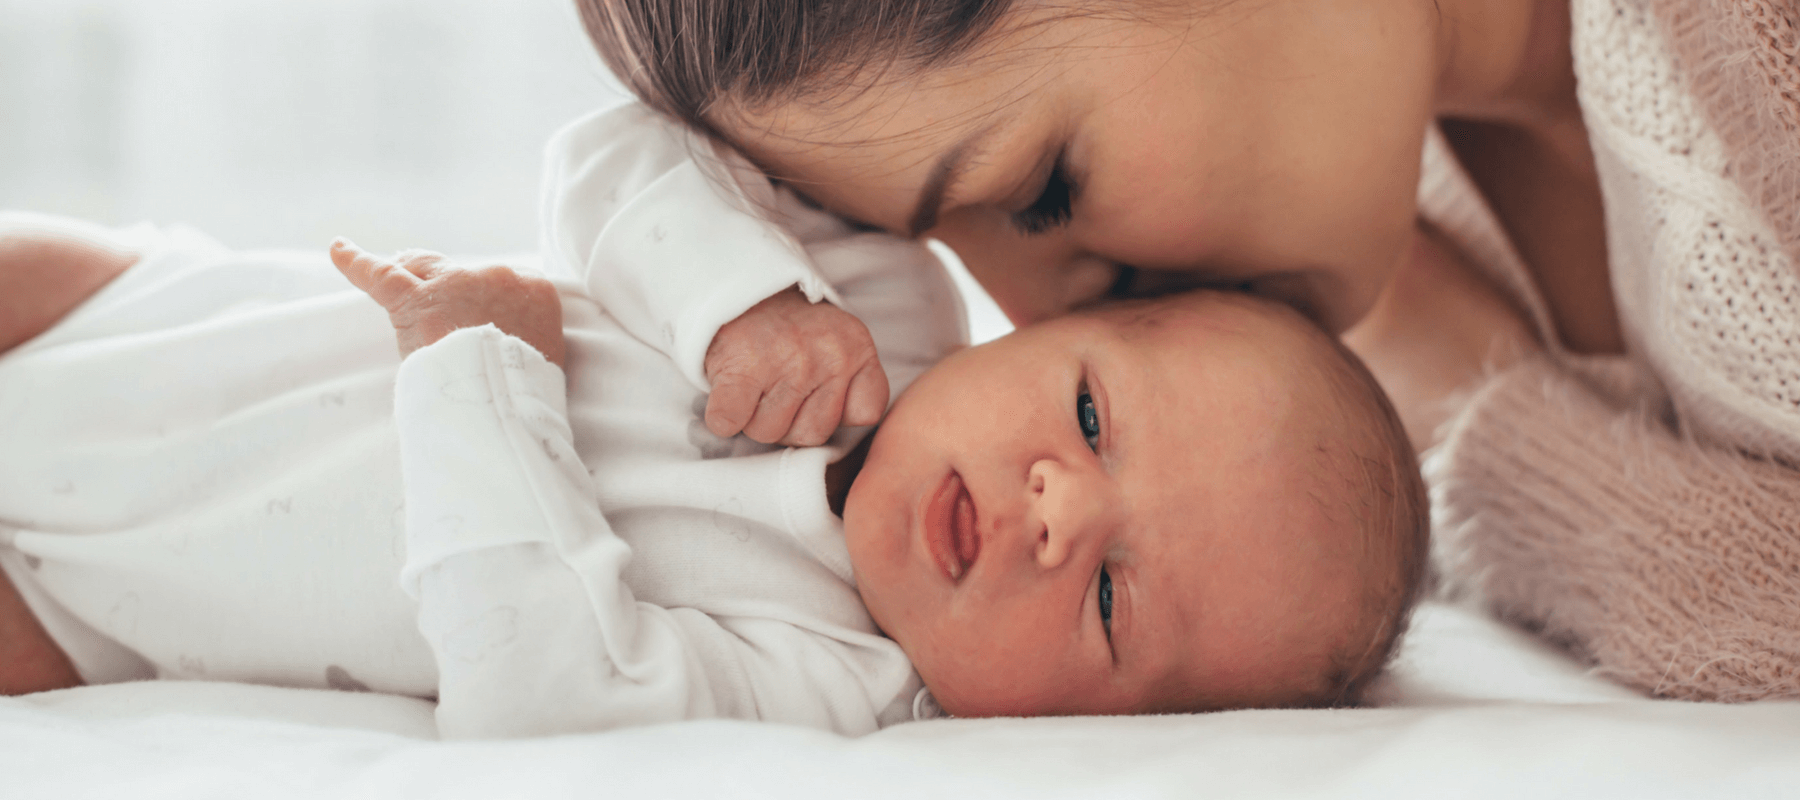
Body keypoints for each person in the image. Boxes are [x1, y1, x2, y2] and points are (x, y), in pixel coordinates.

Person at [0, 105, 1426, 730]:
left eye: (1116, 601)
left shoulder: (823, 685)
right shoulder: (876, 291)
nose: (1060, 511)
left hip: (96, 613)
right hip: (148, 321)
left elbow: (543, 694)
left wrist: (477, 374)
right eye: (1098, 417)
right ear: (1044, 326)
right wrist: (742, 304)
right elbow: (616, 152)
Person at [572, 0, 1800, 700]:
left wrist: (1499, 437)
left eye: (1043, 184)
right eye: (939, 244)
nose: (1038, 313)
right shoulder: (1362, 228)